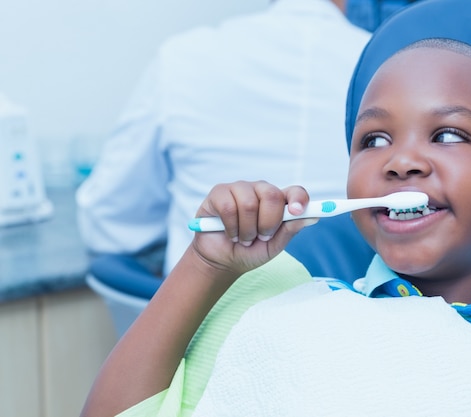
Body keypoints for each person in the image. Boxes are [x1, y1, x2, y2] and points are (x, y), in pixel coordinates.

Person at [80, 35, 471, 416]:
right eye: (374, 140)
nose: (401, 161)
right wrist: (205, 265)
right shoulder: (269, 297)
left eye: (449, 135)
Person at [75, 0, 371, 276]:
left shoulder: (184, 57)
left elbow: (108, 223)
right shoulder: (386, 65)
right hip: (354, 318)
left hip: (203, 319)